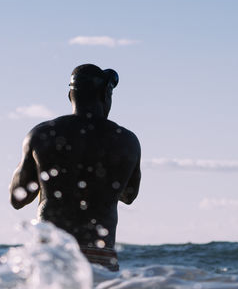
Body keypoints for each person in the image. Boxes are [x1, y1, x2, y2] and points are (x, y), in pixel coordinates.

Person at [10, 64, 141, 270]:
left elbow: (17, 199)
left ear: (70, 95)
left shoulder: (42, 135)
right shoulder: (126, 140)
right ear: (105, 94)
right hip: (100, 254)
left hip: (52, 253)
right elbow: (129, 195)